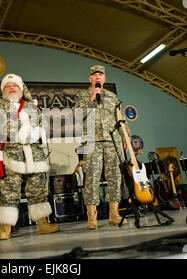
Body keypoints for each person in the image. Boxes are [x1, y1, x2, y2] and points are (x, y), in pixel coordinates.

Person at [0, 73, 60, 240]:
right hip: (11, 155)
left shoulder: (32, 107)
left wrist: (36, 133)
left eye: (15, 85)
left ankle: (42, 224)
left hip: (34, 155)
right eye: (8, 86)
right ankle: (5, 228)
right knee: (9, 192)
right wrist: (19, 136)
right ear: (3, 90)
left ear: (21, 88)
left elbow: (44, 125)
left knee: (38, 190)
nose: (12, 88)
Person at [73, 65, 130, 229]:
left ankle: (114, 213)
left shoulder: (113, 97)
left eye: (101, 75)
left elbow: (121, 119)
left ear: (104, 78)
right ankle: (92, 217)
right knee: (91, 178)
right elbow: (76, 116)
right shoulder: (82, 96)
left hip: (113, 141)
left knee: (115, 178)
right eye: (94, 75)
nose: (98, 77)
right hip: (92, 142)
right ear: (90, 78)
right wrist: (91, 98)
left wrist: (125, 136)